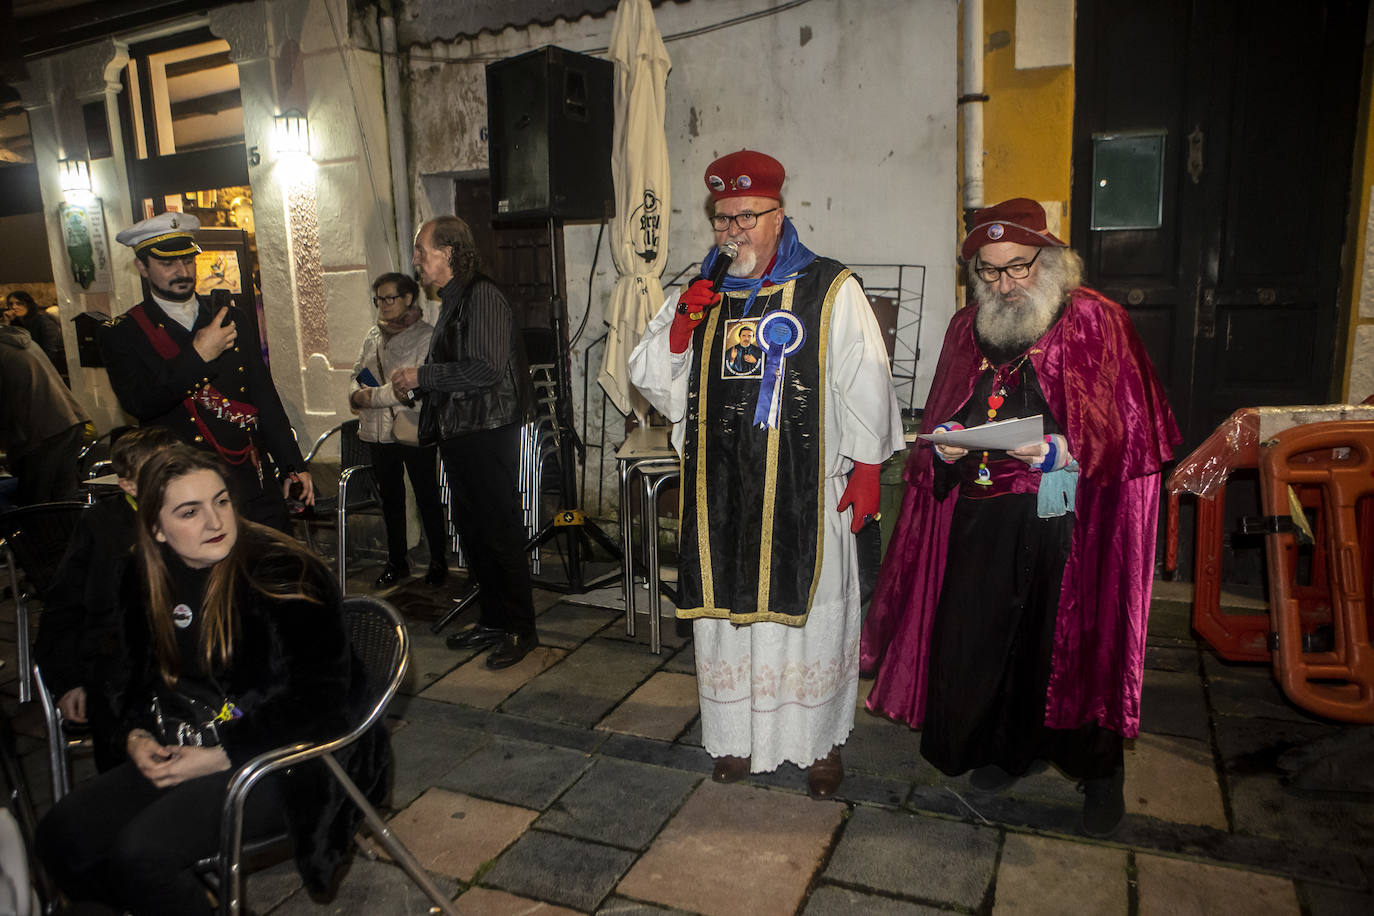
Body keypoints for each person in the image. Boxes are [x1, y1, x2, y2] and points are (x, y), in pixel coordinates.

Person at [860, 198, 1181, 837]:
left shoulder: (1095, 321)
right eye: (990, 271)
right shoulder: (964, 328)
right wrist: (948, 441)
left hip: (1069, 521)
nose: (1005, 284)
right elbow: (950, 413)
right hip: (982, 516)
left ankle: (1098, 777)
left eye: (1019, 268)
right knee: (986, 642)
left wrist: (1063, 447)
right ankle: (1009, 751)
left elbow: (1131, 432)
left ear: (1052, 259)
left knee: (1066, 648)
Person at [629, 149, 903, 798]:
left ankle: (821, 745)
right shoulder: (700, 291)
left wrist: (867, 468)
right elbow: (648, 377)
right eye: (724, 220)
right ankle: (735, 737)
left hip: (805, 494)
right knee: (727, 619)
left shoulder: (830, 288)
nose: (734, 234)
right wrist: (680, 333)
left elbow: (866, 378)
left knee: (815, 617)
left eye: (747, 218)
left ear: (780, 215)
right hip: (719, 496)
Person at [35, 444, 389, 915]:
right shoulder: (140, 573)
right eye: (189, 511)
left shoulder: (283, 571)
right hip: (180, 742)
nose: (216, 521)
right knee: (62, 835)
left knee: (141, 855)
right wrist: (134, 735)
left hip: (291, 759)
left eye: (221, 501)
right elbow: (125, 677)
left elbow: (321, 703)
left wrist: (219, 757)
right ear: (156, 529)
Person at [101, 212, 313, 530]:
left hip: (247, 472)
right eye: (168, 263)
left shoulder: (230, 317)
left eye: (188, 261)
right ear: (142, 267)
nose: (182, 271)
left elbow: (261, 394)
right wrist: (198, 356)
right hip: (184, 485)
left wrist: (291, 464)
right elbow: (140, 403)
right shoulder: (124, 332)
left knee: (273, 568)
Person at [392, 216, 538, 670]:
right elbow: (462, 367)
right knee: (475, 534)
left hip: (487, 430)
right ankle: (494, 619)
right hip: (461, 431)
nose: (416, 260)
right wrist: (421, 386)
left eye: (423, 251)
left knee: (498, 532)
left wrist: (423, 375)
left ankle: (521, 629)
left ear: (450, 252)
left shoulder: (482, 295)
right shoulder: (454, 301)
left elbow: (486, 369)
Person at [35, 425, 182, 771]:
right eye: (157, 475)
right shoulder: (102, 527)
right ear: (128, 485)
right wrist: (69, 681)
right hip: (116, 673)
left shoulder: (199, 517)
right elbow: (63, 610)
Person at [349, 272, 448, 589]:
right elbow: (356, 373)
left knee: (425, 495)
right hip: (377, 432)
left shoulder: (426, 336)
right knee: (390, 499)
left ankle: (438, 560)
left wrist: (368, 397)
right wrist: (354, 393)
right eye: (379, 299)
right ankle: (396, 561)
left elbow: (410, 389)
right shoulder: (372, 336)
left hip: (411, 426)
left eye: (390, 298)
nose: (383, 304)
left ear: (408, 298)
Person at [0, 311, 87, 505]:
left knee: (37, 508)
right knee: (62, 501)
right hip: (65, 422)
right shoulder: (16, 339)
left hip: (41, 432)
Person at [5, 290, 68, 381]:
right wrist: (7, 323)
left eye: (19, 303)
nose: (14, 307)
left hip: (45, 368)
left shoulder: (42, 320)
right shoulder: (15, 323)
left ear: (28, 305)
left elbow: (50, 349)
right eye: (11, 304)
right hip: (25, 368)